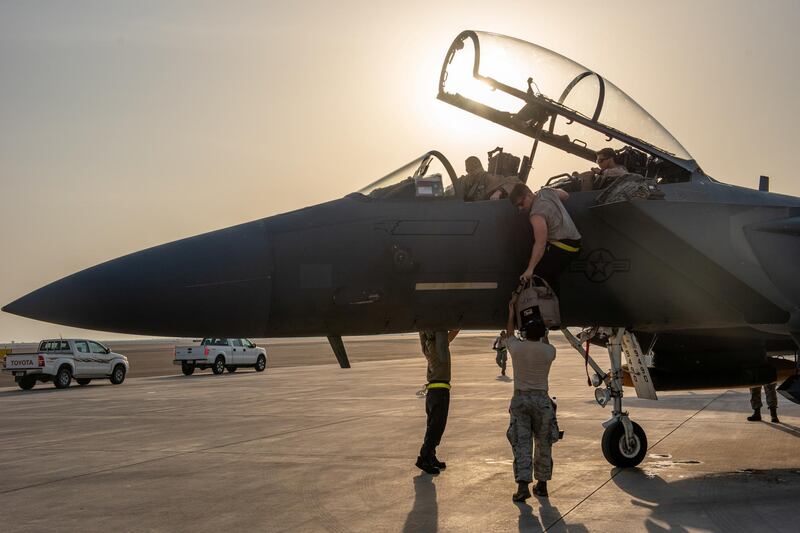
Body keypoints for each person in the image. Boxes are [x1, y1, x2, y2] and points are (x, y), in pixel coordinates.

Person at [503, 294, 557, 501]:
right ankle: (542, 485)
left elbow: (509, 334)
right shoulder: (549, 351)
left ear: (524, 333)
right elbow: (545, 341)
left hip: (521, 400)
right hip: (542, 402)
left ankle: (523, 487)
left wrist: (511, 314)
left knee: (522, 443)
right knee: (544, 444)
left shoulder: (517, 348)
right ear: (542, 333)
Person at [508, 183, 582, 292]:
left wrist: (530, 269)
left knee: (539, 275)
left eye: (521, 204)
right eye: (517, 206)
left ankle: (549, 306)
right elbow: (565, 195)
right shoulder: (546, 191)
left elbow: (540, 243)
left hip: (564, 248)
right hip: (575, 242)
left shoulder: (536, 214)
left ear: (529, 195)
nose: (520, 208)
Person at [416, 329, 459, 475]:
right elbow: (446, 337)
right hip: (440, 392)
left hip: (433, 393)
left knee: (433, 426)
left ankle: (431, 456)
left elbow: (438, 337)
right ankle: (423, 458)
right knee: (436, 428)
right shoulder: (440, 349)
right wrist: (459, 323)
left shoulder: (427, 348)